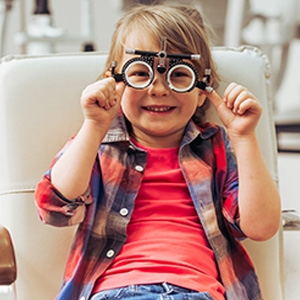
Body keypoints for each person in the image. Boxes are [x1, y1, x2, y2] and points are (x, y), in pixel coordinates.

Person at [35, 4, 281, 300]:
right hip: (116, 292)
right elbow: (54, 210)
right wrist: (93, 125)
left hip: (198, 293)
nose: (159, 88)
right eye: (140, 73)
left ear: (203, 87)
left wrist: (244, 137)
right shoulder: (98, 144)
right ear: (114, 81)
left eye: (179, 75)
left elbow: (262, 227)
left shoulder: (217, 146)